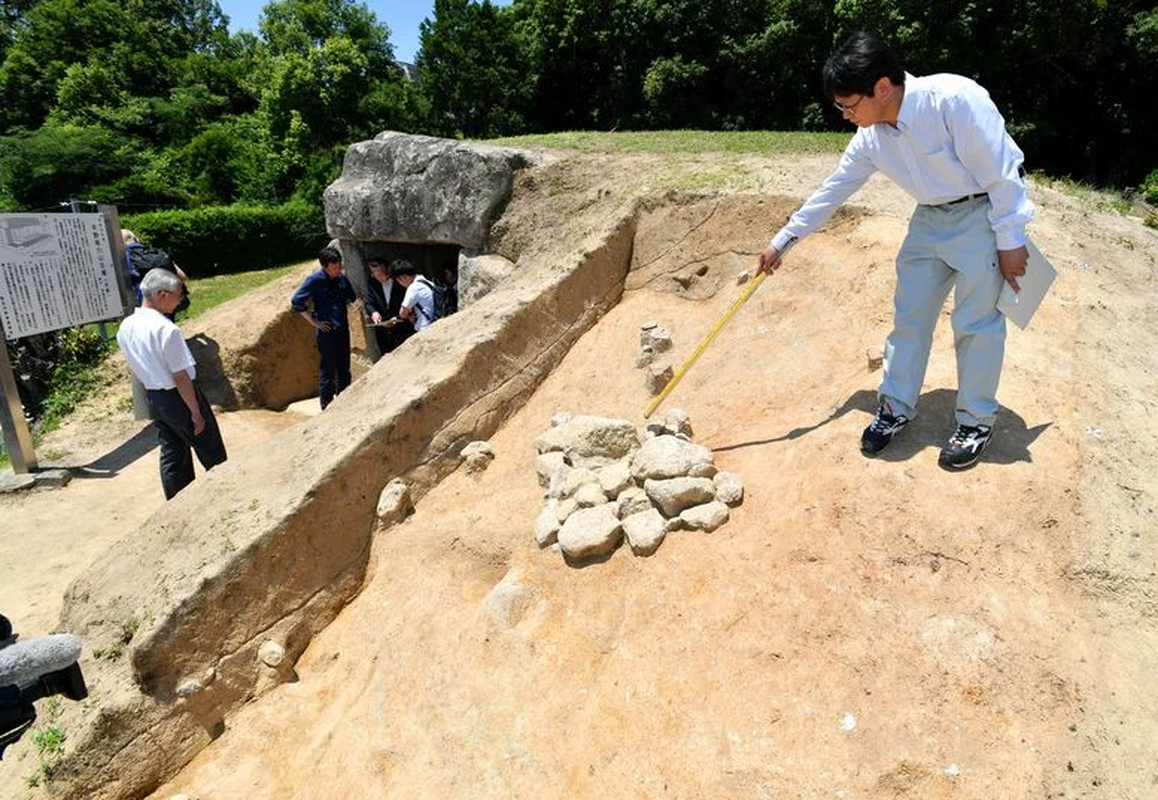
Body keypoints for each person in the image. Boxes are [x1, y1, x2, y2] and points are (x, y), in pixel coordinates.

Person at [757, 31, 1034, 470]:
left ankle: (976, 420)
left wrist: (1011, 240)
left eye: (850, 105)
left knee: (976, 322)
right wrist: (783, 241)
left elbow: (1002, 173)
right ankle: (896, 407)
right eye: (840, 107)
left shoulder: (954, 100)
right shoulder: (871, 137)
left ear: (883, 87)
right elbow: (834, 190)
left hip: (981, 214)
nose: (846, 115)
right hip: (928, 220)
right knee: (910, 316)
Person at [116, 269, 227, 500]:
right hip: (180, 397)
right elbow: (181, 376)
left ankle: (177, 503)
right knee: (211, 449)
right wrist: (195, 411)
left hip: (155, 398)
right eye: (178, 295)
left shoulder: (126, 326)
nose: (180, 301)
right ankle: (224, 498)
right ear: (163, 295)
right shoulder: (167, 329)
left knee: (173, 452)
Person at [291, 247, 357, 409]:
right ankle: (326, 405)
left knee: (344, 368)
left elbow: (351, 297)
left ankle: (345, 402)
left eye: (339, 266)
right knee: (327, 368)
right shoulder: (315, 280)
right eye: (334, 268)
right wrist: (315, 322)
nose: (338, 270)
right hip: (326, 331)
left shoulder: (341, 278)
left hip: (342, 329)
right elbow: (296, 302)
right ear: (324, 266)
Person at [121, 229, 190, 320]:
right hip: (167, 301)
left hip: (144, 306)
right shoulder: (154, 252)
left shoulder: (123, 259)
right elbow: (183, 276)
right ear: (136, 239)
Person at [364, 258, 415, 355]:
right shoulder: (372, 284)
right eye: (376, 275)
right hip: (383, 330)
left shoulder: (400, 282)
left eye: (382, 273)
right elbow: (369, 302)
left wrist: (399, 317)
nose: (380, 276)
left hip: (402, 326)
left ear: (387, 269)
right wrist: (374, 312)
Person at [393, 260, 436, 333]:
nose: (400, 284)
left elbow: (402, 313)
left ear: (403, 277)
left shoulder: (414, 287)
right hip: (435, 324)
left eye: (399, 281)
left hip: (425, 327)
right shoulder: (429, 283)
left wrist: (409, 315)